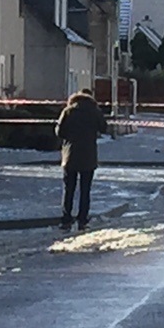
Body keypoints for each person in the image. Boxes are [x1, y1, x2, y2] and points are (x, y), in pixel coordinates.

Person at [55, 89, 108, 230]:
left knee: (68, 189)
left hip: (70, 155)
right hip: (88, 155)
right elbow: (104, 128)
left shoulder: (68, 111)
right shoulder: (95, 111)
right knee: (85, 190)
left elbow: (59, 132)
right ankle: (82, 219)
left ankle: (66, 219)